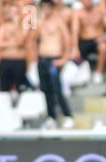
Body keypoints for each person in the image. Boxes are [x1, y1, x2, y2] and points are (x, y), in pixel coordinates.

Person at [37, 0, 74, 129]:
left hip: (54, 59)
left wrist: (64, 59)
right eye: (43, 8)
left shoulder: (59, 21)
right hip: (42, 59)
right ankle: (51, 117)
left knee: (56, 89)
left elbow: (68, 40)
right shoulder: (40, 22)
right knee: (45, 89)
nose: (45, 11)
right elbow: (30, 37)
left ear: (52, 8)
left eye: (47, 8)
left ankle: (68, 115)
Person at [72, 0, 106, 84]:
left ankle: (98, 73)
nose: (87, 1)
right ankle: (81, 75)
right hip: (84, 40)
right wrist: (75, 47)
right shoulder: (78, 13)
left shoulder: (100, 10)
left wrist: (105, 35)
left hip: (97, 39)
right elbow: (75, 31)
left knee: (103, 47)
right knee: (74, 55)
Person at [0, 4, 30, 92]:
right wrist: (14, 43)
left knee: (20, 88)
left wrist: (16, 25)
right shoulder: (3, 27)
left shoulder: (24, 27)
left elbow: (21, 42)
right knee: (4, 89)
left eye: (16, 12)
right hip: (5, 61)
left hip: (19, 62)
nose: (14, 15)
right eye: (12, 12)